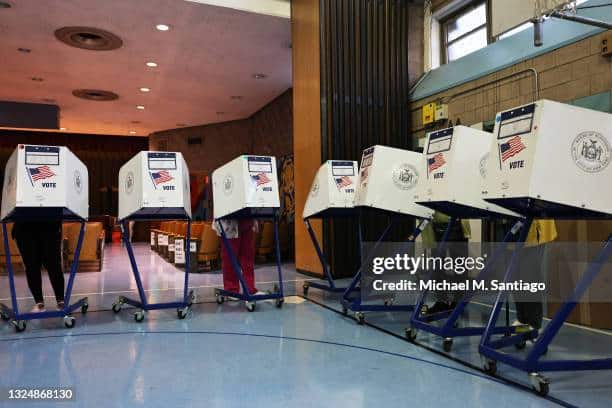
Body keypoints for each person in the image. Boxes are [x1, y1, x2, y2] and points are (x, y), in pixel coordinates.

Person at [420, 211, 471, 314]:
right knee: (437, 269)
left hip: (457, 226)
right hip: (436, 228)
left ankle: (458, 302)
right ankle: (441, 302)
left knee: (459, 268)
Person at [11, 221, 65, 312]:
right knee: (31, 267)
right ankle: (39, 303)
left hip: (49, 225)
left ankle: (61, 301)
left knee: (54, 265)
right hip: (24, 227)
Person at [213, 219, 263, 295]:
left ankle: (250, 289)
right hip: (229, 220)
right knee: (230, 258)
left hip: (246, 218)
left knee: (248, 258)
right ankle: (231, 289)